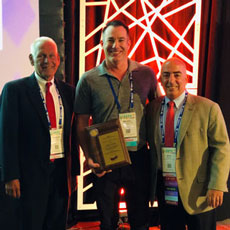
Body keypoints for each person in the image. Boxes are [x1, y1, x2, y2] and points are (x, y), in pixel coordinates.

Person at [74, 20, 160, 230]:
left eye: (121, 40)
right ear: (102, 43)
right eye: (110, 40)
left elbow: (158, 110)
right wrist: (90, 157)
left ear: (129, 43)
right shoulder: (88, 80)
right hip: (106, 159)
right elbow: (81, 122)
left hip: (138, 156)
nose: (116, 45)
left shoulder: (146, 74)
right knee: (107, 220)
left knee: (140, 219)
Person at [0, 36, 80, 230]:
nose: (47, 61)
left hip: (61, 173)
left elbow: (72, 135)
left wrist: (74, 172)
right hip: (29, 177)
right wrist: (10, 176)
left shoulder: (69, 92)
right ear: (31, 59)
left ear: (58, 59)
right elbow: (6, 136)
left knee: (57, 223)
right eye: (41, 56)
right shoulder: (14, 90)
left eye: (51, 56)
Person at [146, 57, 230, 230]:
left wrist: (217, 185)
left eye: (177, 75)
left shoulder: (208, 108)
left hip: (198, 190)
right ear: (160, 79)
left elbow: (221, 148)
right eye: (166, 75)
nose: (171, 80)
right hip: (165, 188)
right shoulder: (152, 108)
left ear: (186, 78)